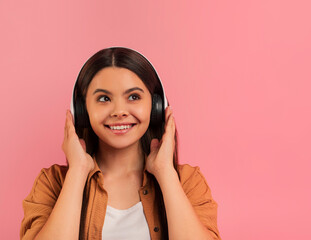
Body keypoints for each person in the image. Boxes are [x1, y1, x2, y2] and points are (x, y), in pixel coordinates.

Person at [20, 47, 221, 240]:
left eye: (134, 97)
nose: (119, 111)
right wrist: (78, 171)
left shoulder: (187, 182)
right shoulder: (52, 183)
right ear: (82, 111)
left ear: (156, 107)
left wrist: (164, 172)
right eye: (104, 98)